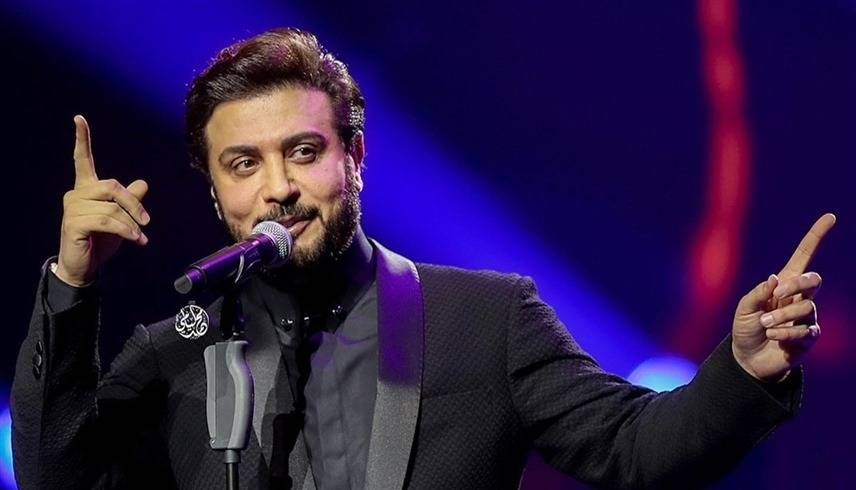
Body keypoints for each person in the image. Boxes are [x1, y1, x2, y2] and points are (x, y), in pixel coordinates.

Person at [11, 28, 835, 490]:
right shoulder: (177, 349)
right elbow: (55, 476)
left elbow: (637, 447)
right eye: (244, 164)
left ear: (355, 158)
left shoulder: (486, 319)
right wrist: (71, 283)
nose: (278, 188)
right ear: (217, 189)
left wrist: (742, 369)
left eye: (303, 152)